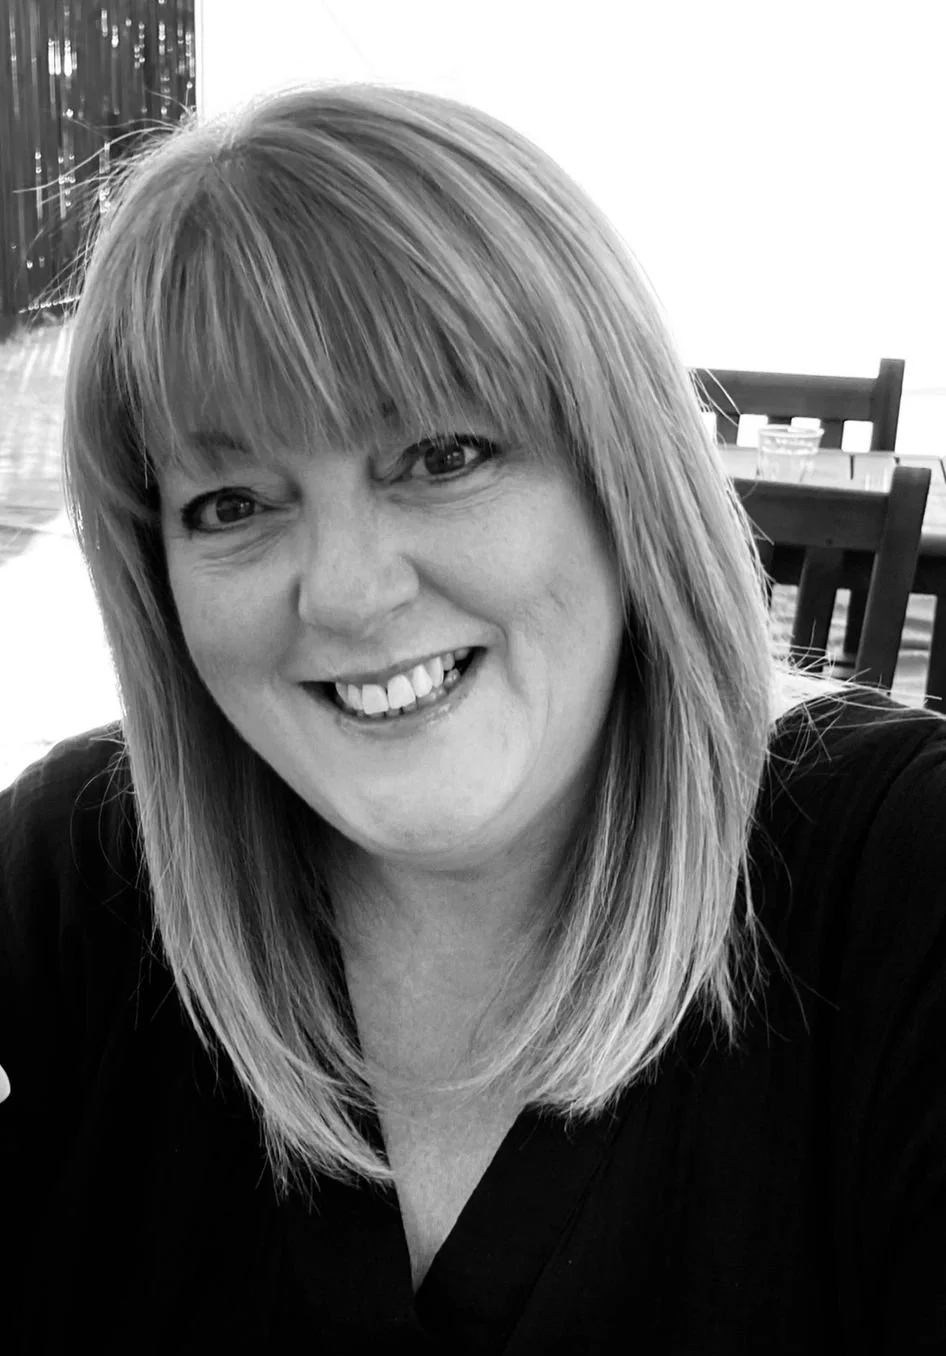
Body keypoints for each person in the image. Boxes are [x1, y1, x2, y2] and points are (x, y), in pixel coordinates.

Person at [1, 82, 943, 1354]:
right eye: (232, 505)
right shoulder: (83, 876)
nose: (346, 593)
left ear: (625, 476)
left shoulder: (899, 882)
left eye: (441, 456)